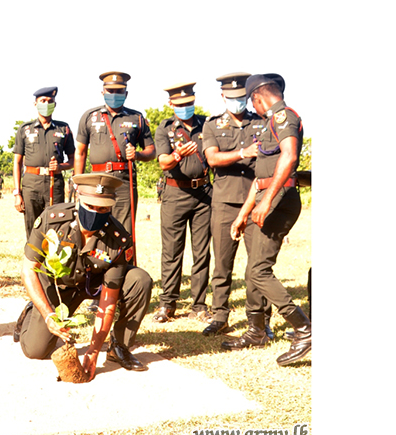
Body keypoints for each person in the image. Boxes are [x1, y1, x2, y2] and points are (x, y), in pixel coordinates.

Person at [13, 173, 153, 380]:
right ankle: (34, 309)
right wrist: (48, 315)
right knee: (35, 351)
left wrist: (94, 350)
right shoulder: (52, 221)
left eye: (103, 208)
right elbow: (28, 269)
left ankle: (118, 345)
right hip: (58, 286)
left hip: (94, 284)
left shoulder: (117, 238)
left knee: (140, 280)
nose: (96, 213)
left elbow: (108, 300)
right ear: (78, 199)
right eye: (90, 206)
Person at [223, 73, 311, 366]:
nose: (253, 107)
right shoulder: (269, 125)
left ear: (258, 98)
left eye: (252, 102)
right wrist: (243, 213)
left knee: (260, 270)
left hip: (280, 201)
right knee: (253, 269)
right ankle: (257, 330)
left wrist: (268, 201)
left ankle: (303, 328)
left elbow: (289, 157)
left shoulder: (286, 118)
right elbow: (260, 177)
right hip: (265, 198)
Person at [201, 73, 274, 338]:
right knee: (222, 264)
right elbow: (212, 159)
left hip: (256, 203)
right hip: (224, 202)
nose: (237, 102)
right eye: (231, 98)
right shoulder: (211, 126)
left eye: (241, 98)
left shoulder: (263, 122)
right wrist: (243, 153)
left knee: (257, 264)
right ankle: (220, 315)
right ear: (223, 97)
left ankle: (259, 319)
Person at [153, 82, 213, 324]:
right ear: (171, 105)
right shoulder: (164, 129)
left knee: (202, 252)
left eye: (188, 103)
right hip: (175, 194)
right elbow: (163, 162)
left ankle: (198, 305)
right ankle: (167, 303)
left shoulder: (207, 125)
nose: (185, 107)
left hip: (204, 195)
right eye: (180, 105)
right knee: (172, 251)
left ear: (194, 100)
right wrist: (179, 155)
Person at [74, 71, 156, 237]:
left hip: (123, 182)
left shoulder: (136, 118)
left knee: (124, 231)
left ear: (126, 93)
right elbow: (80, 153)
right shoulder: (89, 116)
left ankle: (123, 263)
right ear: (103, 92)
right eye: (110, 91)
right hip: (96, 180)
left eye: (119, 91)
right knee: (93, 229)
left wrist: (138, 155)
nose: (114, 94)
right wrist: (78, 183)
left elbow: (152, 151)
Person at [13, 86, 75, 240]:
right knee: (32, 227)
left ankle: (52, 263)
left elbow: (74, 160)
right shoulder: (25, 129)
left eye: (50, 101)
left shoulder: (63, 129)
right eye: (43, 101)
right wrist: (17, 193)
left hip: (55, 183)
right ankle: (33, 262)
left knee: (57, 225)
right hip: (31, 184)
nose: (46, 104)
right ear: (35, 104)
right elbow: (17, 162)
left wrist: (61, 167)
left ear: (55, 104)